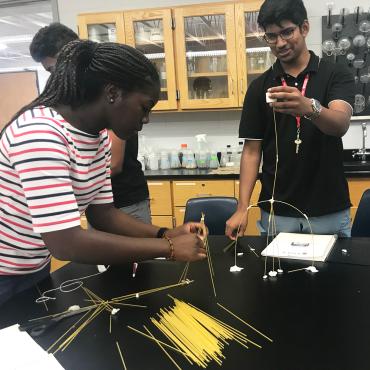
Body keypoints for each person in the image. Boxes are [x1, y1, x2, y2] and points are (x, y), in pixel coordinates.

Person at [0, 39, 207, 306]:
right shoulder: (41, 134)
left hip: (33, 265)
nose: (146, 120)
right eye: (144, 107)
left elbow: (104, 213)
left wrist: (166, 233)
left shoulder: (97, 139)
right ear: (113, 93)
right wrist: (167, 249)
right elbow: (65, 243)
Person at [226, 0, 355, 239]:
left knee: (335, 277)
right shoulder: (259, 87)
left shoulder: (336, 74)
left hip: (328, 210)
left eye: (287, 32)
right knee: (276, 276)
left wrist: (309, 107)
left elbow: (340, 124)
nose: (280, 43)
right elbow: (252, 151)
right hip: (277, 212)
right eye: (271, 36)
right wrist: (242, 207)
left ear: (304, 28)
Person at [30, 22, 152, 224]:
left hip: (123, 200)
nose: (56, 78)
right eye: (50, 72)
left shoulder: (104, 95)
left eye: (56, 69)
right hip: (98, 205)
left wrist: (165, 240)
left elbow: (113, 164)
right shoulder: (42, 127)